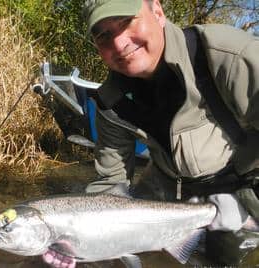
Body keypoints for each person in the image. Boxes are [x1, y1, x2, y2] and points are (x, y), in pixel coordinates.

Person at [43, 0, 259, 267]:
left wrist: (246, 206)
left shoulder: (232, 56)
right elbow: (110, 182)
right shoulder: (111, 101)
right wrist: (81, 242)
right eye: (104, 35)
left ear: (158, 12)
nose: (120, 43)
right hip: (171, 184)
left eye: (126, 22)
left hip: (246, 179)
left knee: (231, 257)